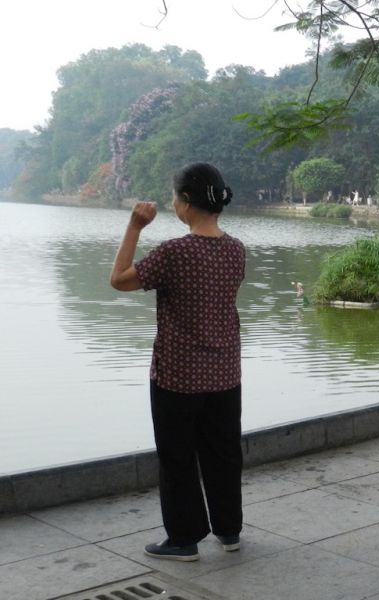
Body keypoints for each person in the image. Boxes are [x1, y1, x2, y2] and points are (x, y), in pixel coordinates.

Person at [109, 163, 246, 561]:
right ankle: (229, 530)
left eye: (175, 197)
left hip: (178, 377)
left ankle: (184, 538)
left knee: (178, 457)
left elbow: (118, 279)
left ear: (186, 203)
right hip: (225, 374)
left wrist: (135, 226)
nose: (173, 204)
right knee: (223, 455)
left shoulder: (174, 252)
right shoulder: (236, 249)